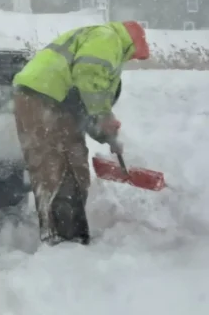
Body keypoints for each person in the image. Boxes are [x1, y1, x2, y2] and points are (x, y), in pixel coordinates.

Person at [12, 20, 149, 246]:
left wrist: (106, 136)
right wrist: (104, 115)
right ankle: (61, 240)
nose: (131, 59)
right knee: (53, 165)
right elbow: (89, 74)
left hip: (59, 102)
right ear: (131, 42)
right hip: (40, 97)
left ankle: (73, 235)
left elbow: (85, 108)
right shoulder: (108, 37)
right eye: (133, 54)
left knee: (76, 165)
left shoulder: (106, 50)